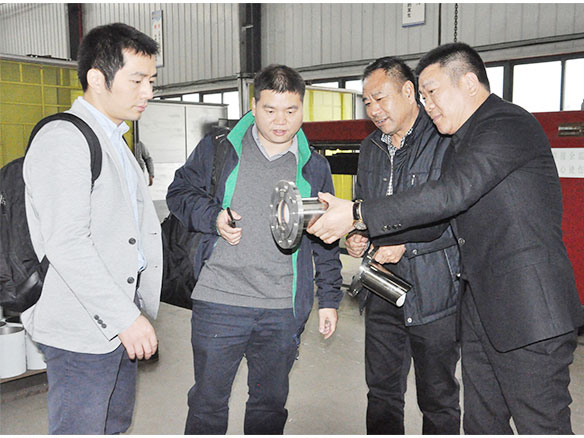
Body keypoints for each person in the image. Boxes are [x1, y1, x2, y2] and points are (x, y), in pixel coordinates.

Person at [307, 42, 584, 434]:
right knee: (482, 423)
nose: (428, 104)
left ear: (469, 83)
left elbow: (449, 194)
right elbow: (438, 219)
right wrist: (365, 230)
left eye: (432, 92)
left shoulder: (506, 125)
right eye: (423, 96)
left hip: (528, 311)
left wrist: (358, 213)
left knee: (540, 424)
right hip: (480, 309)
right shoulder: (461, 141)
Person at [166, 64, 343, 435]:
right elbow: (179, 193)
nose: (280, 121)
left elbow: (326, 235)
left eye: (291, 110)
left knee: (268, 407)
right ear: (253, 105)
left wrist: (329, 298)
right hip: (220, 302)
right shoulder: (220, 149)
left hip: (281, 309)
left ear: (302, 107)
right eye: (270, 110)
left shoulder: (314, 167)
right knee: (208, 404)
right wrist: (214, 217)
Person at [22, 23, 161, 434]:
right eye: (137, 80)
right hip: (82, 325)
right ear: (98, 78)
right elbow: (67, 243)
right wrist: (125, 317)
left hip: (116, 314)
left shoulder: (115, 138)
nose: (148, 92)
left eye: (151, 81)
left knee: (113, 424)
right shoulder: (64, 138)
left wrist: (132, 311)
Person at [348, 56, 460, 434]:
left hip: (434, 292)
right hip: (382, 289)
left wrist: (404, 245)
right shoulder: (370, 149)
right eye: (367, 102)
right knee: (382, 393)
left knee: (438, 399)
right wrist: (358, 235)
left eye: (381, 98)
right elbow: (365, 206)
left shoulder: (444, 141)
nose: (374, 110)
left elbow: (455, 218)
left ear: (409, 91)